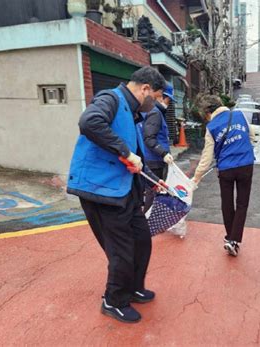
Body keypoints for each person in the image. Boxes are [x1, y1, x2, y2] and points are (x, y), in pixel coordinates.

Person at [67, 66, 166, 323]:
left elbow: (137, 157)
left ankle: (132, 287)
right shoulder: (111, 99)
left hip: (123, 189)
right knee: (122, 249)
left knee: (141, 240)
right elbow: (89, 122)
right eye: (155, 98)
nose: (155, 105)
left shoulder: (131, 112)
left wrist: (155, 182)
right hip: (100, 190)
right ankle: (113, 300)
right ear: (145, 89)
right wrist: (124, 151)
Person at [192, 95, 255, 257]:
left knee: (227, 203)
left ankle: (230, 238)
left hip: (226, 168)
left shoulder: (212, 127)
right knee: (242, 203)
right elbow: (252, 136)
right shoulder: (240, 115)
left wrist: (197, 177)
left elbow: (207, 156)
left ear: (208, 112)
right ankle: (233, 240)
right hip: (246, 165)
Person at [141, 83, 176, 212]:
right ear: (161, 96)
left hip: (153, 158)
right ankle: (147, 222)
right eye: (169, 99)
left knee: (153, 190)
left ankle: (149, 219)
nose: (169, 103)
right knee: (153, 190)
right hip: (154, 159)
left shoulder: (154, 112)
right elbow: (149, 138)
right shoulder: (155, 113)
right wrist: (163, 154)